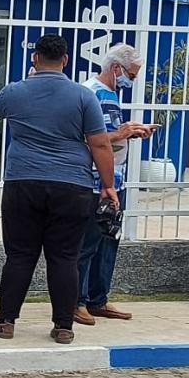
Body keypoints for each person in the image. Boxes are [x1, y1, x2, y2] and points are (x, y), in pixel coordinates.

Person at [0, 34, 118, 345]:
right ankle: (63, 327)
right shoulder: (83, 96)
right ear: (66, 60)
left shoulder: (15, 91)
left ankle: (5, 322)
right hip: (73, 185)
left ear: (34, 58)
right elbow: (99, 143)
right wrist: (108, 186)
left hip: (23, 182)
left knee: (19, 255)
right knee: (65, 257)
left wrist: (29, 82)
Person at [74, 44, 154, 326]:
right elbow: (91, 139)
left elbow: (110, 136)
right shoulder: (94, 93)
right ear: (116, 68)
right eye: (131, 75)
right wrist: (122, 133)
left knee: (108, 240)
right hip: (96, 181)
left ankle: (98, 298)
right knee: (90, 242)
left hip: (111, 178)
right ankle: (78, 301)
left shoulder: (104, 95)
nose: (130, 81)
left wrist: (129, 132)